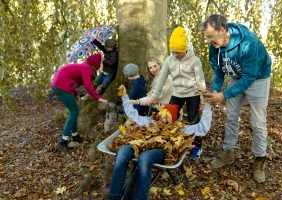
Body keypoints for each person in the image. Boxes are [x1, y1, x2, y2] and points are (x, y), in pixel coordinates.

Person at [201, 14, 272, 183]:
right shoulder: (214, 46)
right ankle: (228, 152)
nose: (208, 41)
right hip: (236, 76)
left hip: (258, 78)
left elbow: (249, 77)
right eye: (206, 37)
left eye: (210, 36)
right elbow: (218, 71)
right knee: (231, 115)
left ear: (223, 30)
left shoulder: (248, 42)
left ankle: (259, 159)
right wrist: (215, 91)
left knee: (257, 121)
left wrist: (224, 95)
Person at [108, 86, 212, 200]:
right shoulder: (149, 121)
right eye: (162, 113)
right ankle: (113, 197)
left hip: (158, 151)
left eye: (168, 114)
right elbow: (132, 114)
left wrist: (208, 106)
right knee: (122, 152)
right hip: (139, 145)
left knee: (144, 158)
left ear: (174, 118)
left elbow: (203, 128)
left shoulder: (179, 128)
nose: (164, 116)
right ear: (157, 114)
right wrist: (124, 96)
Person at [151, 26, 207, 159]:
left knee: (193, 121)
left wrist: (203, 102)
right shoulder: (169, 60)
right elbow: (161, 79)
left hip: (193, 94)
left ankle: (197, 146)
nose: (175, 55)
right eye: (173, 52)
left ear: (185, 49)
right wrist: (155, 96)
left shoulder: (195, 60)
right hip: (177, 94)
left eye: (178, 52)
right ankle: (169, 143)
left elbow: (201, 82)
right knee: (168, 118)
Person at [51, 53, 108, 152]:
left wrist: (75, 93)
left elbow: (71, 79)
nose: (101, 63)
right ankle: (63, 141)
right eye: (101, 61)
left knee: (73, 111)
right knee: (74, 112)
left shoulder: (84, 66)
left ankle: (75, 136)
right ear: (96, 63)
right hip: (61, 85)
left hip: (58, 84)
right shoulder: (86, 68)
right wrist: (98, 98)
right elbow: (87, 85)